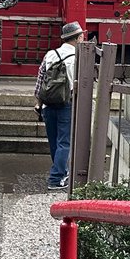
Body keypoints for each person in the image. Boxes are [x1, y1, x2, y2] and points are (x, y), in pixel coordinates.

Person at [35, 21, 83, 190]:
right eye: (81, 36)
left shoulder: (50, 54)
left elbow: (40, 80)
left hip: (48, 104)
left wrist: (38, 103)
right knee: (65, 142)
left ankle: (61, 172)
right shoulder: (78, 58)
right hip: (66, 103)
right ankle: (56, 179)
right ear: (77, 38)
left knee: (54, 142)